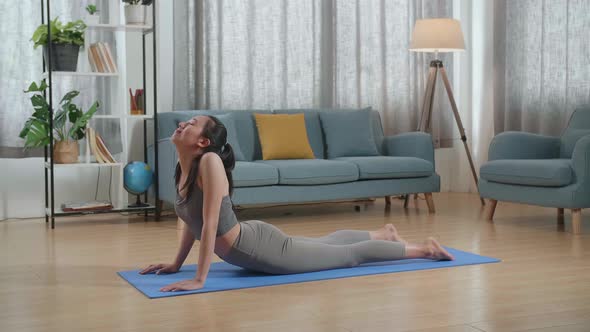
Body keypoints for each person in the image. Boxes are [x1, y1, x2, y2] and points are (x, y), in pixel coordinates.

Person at [140, 115, 454, 292]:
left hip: (260, 249)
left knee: (346, 256)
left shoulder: (209, 162)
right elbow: (190, 222)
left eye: (191, 123)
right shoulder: (183, 167)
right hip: (252, 241)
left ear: (204, 142)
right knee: (325, 244)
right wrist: (177, 264)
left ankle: (424, 249)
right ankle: (383, 234)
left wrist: (199, 278)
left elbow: (209, 224)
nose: (182, 123)